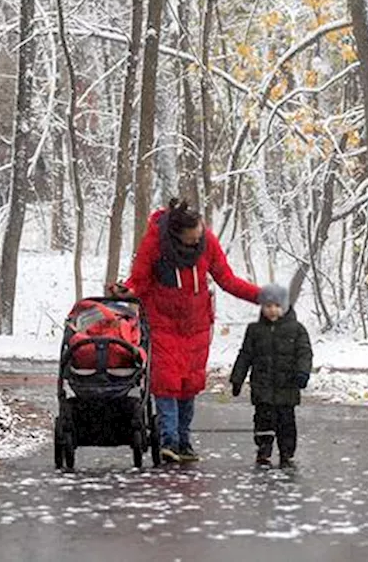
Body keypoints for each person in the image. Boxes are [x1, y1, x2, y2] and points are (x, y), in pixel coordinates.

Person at [110, 198, 260, 463]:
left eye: (199, 235)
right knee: (167, 383)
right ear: (177, 234)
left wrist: (260, 296)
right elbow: (140, 279)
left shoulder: (208, 242)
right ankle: (170, 441)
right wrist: (127, 291)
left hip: (197, 326)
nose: (196, 241)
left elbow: (227, 279)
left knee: (189, 385)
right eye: (191, 239)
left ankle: (184, 440)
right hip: (162, 323)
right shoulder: (154, 244)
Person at [229, 283, 313, 469]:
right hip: (262, 386)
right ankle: (264, 449)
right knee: (263, 420)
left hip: (287, 386)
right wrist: (237, 378)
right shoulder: (255, 331)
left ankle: (287, 452)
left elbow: (304, 353)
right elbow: (245, 355)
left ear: (284, 307)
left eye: (277, 306)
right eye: (268, 306)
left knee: (286, 422)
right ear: (262, 307)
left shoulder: (297, 329)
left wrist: (302, 372)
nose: (272, 310)